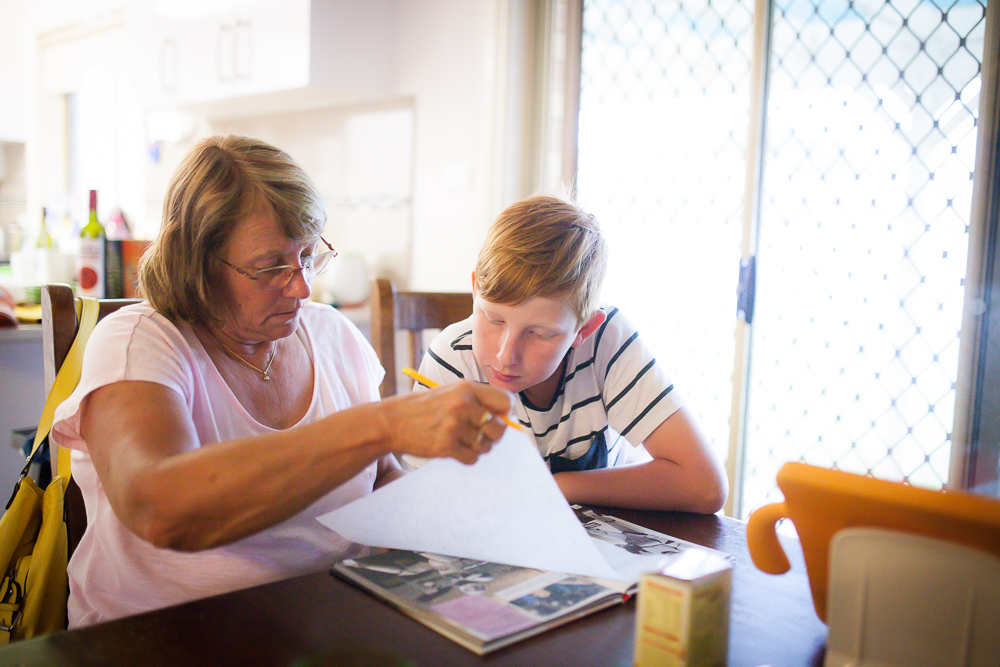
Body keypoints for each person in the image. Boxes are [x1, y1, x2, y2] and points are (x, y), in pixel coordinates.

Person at [50, 135, 513, 627]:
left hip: (324, 623)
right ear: (199, 263)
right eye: (271, 266)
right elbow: (159, 510)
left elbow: (378, 479)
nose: (303, 286)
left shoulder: (332, 335)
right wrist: (384, 424)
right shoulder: (140, 342)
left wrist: (451, 524)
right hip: (161, 639)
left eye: (309, 256)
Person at [415, 194, 727, 513]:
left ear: (584, 330)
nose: (506, 355)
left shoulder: (607, 342)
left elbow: (705, 486)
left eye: (540, 333)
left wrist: (556, 486)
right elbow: (425, 501)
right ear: (475, 290)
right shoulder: (451, 362)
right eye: (494, 319)